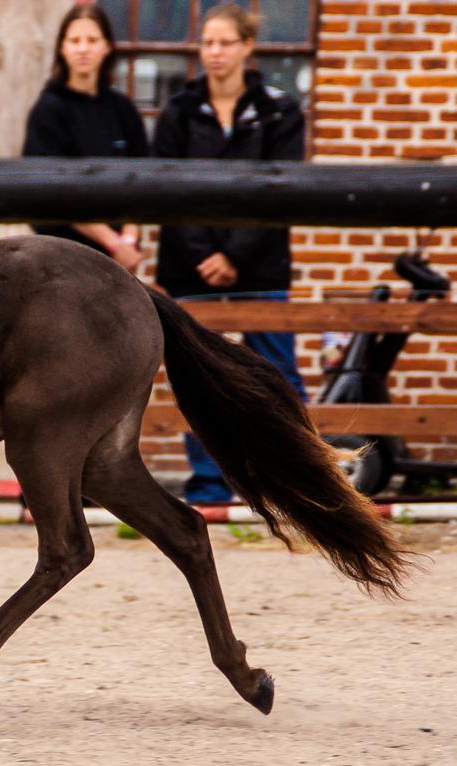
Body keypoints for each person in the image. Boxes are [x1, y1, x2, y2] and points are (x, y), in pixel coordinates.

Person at [153, 2, 307, 503]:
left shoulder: (279, 110)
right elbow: (166, 188)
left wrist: (235, 255)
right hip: (191, 267)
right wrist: (204, 254)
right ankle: (211, 484)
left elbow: (279, 189)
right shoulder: (179, 110)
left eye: (225, 42)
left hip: (259, 265)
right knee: (199, 375)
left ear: (246, 46)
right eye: (207, 43)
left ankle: (295, 480)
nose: (214, 52)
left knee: (277, 374)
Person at [21, 4, 148, 272]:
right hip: (62, 257)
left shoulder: (122, 109)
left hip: (118, 262)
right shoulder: (48, 110)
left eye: (92, 40)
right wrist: (113, 243)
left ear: (107, 47)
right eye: (75, 40)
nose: (83, 48)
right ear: (62, 48)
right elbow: (54, 191)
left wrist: (129, 237)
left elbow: (142, 178)